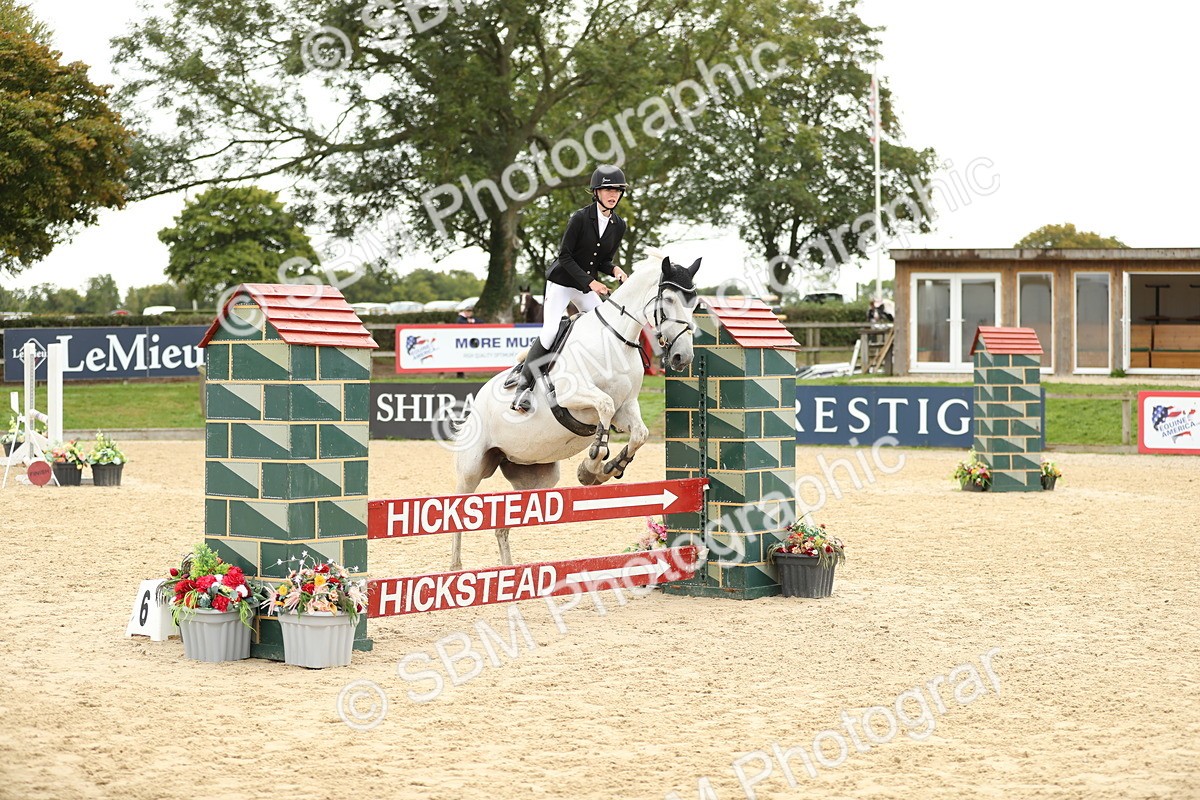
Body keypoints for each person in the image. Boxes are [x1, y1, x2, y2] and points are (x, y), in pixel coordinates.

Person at [507, 164, 630, 412]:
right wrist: (591, 282)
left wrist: (615, 269)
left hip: (585, 287)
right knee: (551, 330)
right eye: (607, 189)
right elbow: (565, 257)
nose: (612, 194)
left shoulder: (619, 225)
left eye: (617, 189)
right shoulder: (580, 218)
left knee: (606, 328)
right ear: (596, 192)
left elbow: (602, 260)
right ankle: (523, 388)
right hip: (562, 282)